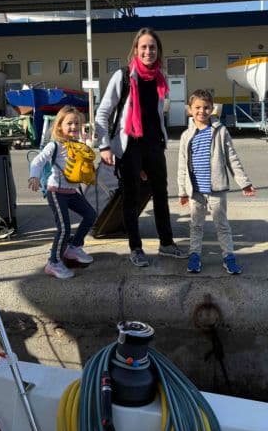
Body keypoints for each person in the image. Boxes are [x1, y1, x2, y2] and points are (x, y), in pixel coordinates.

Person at [95, 27, 185, 267]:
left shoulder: (159, 78)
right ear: (135, 49)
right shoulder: (123, 76)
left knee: (161, 195)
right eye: (143, 47)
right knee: (131, 198)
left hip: (154, 144)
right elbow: (103, 112)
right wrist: (104, 145)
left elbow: (155, 115)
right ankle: (136, 248)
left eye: (152, 47)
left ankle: (167, 243)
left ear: (158, 51)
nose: (148, 51)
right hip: (130, 145)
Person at [177, 89, 256, 275]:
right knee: (196, 225)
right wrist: (182, 191)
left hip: (216, 190)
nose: (201, 111)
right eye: (197, 107)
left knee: (222, 225)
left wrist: (244, 183)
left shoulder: (220, 132)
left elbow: (232, 158)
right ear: (190, 109)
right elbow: (182, 166)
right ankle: (194, 255)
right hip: (195, 192)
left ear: (212, 109)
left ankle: (228, 256)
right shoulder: (186, 136)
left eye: (206, 108)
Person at [28, 106, 97, 279]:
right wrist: (34, 177)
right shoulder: (54, 145)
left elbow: (87, 158)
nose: (73, 127)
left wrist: (88, 142)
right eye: (69, 123)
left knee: (90, 215)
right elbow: (37, 161)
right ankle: (54, 262)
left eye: (77, 123)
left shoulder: (78, 145)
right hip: (56, 192)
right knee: (64, 228)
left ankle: (73, 248)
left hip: (72, 191)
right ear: (59, 126)